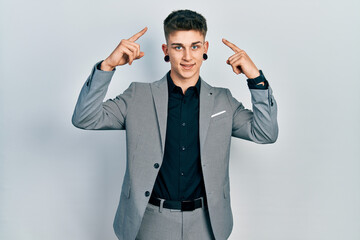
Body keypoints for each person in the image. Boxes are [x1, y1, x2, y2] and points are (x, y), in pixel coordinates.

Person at [72, 9, 278, 240]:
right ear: (166, 50)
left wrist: (256, 79)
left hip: (206, 225)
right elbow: (85, 117)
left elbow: (266, 132)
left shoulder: (223, 100)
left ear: (205, 48)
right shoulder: (137, 96)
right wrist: (107, 66)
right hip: (150, 222)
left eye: (195, 46)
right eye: (178, 47)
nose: (187, 57)